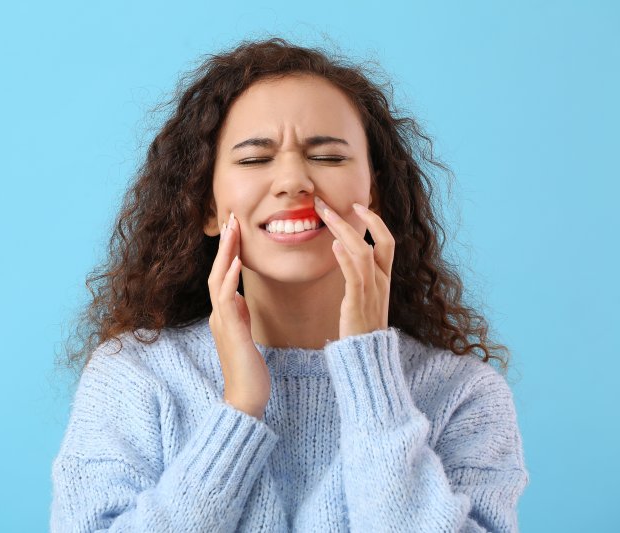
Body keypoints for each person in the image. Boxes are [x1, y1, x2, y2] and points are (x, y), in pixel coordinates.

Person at [50, 37, 529, 532]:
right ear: (206, 206)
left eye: (328, 157)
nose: (294, 181)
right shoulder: (134, 378)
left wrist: (371, 375)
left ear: (375, 194)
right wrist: (238, 410)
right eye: (255, 159)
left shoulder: (463, 395)